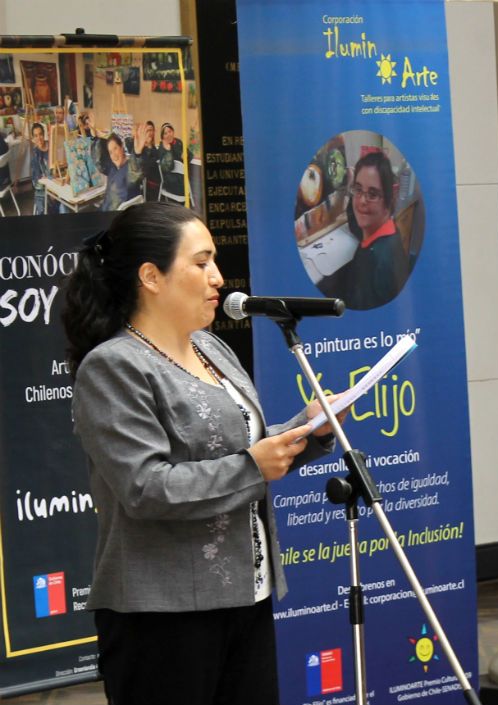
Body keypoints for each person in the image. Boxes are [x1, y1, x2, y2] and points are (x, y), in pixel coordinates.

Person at [62, 202, 343, 705]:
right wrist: (252, 465)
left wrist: (309, 430)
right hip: (162, 617)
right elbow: (146, 488)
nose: (218, 277)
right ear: (151, 276)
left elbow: (240, 453)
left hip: (246, 594)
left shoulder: (213, 349)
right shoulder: (114, 367)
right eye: (201, 262)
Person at [343, 150, 409, 309]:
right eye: (358, 189)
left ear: (388, 198)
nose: (362, 201)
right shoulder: (376, 228)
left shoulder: (382, 264)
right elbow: (356, 220)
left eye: (372, 194)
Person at [93, 132, 143, 211]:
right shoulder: (112, 167)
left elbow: (135, 172)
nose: (114, 155)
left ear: (122, 147)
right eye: (110, 152)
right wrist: (96, 137)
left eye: (115, 148)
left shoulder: (128, 169)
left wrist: (137, 154)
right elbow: (99, 162)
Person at [29, 122, 55, 214]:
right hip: (43, 189)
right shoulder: (35, 154)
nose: (39, 138)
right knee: (43, 210)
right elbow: (36, 181)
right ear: (33, 138)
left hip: (57, 185)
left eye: (40, 134)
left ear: (44, 135)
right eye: (36, 136)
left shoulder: (52, 147)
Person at [157, 122, 186, 198]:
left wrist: (185, 156)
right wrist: (168, 150)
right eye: (165, 133)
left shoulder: (179, 142)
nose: (168, 134)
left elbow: (187, 156)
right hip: (170, 183)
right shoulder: (161, 147)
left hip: (183, 183)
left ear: (173, 132)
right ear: (162, 137)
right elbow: (169, 167)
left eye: (170, 131)